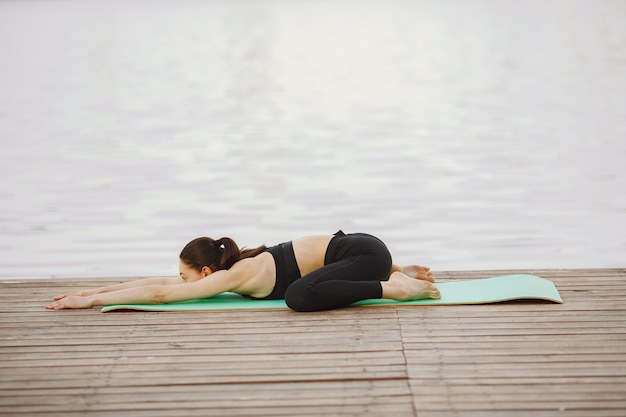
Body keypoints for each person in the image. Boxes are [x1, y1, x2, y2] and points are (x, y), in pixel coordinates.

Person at [46, 230, 440, 312]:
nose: (181, 284)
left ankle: (398, 288)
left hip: (365, 254)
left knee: (298, 296)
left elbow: (164, 294)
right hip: (365, 252)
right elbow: (160, 283)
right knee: (302, 290)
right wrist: (95, 291)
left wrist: (94, 301)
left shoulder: (235, 274)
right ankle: (396, 272)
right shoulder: (233, 270)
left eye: (187, 278)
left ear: (205, 272)